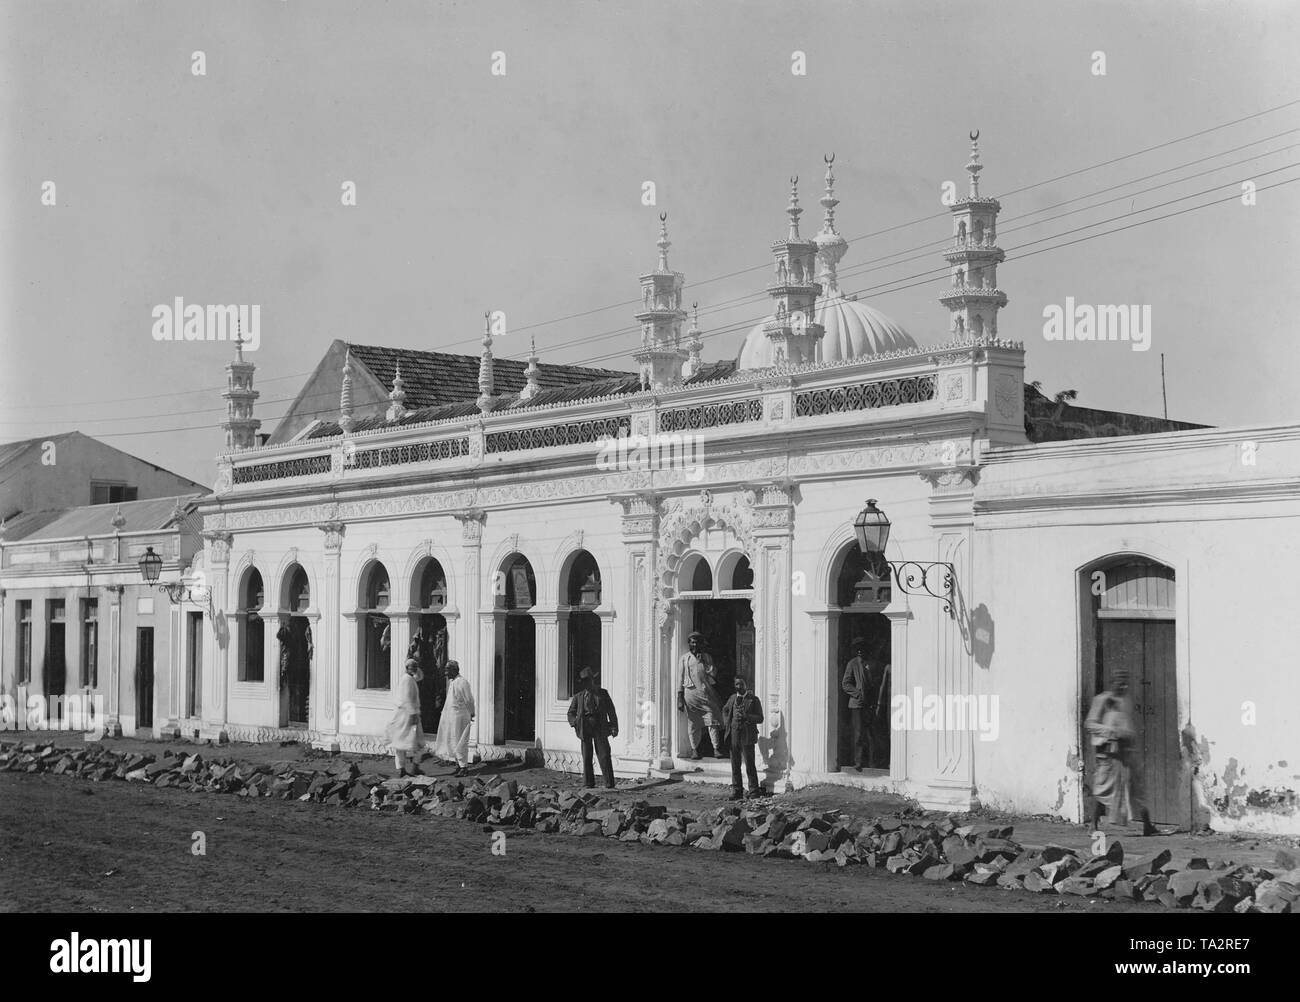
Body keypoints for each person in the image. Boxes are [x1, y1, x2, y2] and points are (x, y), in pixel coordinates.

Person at [1085, 669, 1157, 836]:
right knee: (1102, 790)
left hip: (1127, 752)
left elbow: (1128, 723)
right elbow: (1090, 724)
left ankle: (1148, 825)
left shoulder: (1126, 700)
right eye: (1119, 681)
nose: (1123, 685)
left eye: (1125, 682)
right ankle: (1093, 825)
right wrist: (1111, 731)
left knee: (1137, 789)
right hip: (1110, 755)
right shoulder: (1102, 700)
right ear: (1112, 682)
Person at [566, 667, 619, 789]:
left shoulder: (603, 693)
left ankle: (609, 783)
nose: (587, 684)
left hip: (600, 726)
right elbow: (571, 713)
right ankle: (588, 783)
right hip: (585, 727)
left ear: (593, 680)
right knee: (587, 755)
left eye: (589, 680)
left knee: (604, 755)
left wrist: (614, 726)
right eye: (585, 682)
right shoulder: (579, 696)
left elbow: (611, 711)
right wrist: (575, 722)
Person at [841, 638, 888, 769]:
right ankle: (858, 762)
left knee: (872, 734)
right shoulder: (852, 664)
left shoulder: (872, 664)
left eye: (862, 648)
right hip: (857, 705)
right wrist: (858, 693)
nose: (860, 651)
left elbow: (876, 683)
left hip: (870, 704)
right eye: (858, 649)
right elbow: (845, 684)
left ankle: (873, 762)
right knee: (858, 734)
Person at [677, 631, 724, 759]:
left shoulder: (706, 657)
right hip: (690, 694)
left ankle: (716, 748)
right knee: (693, 722)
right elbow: (680, 678)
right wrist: (679, 697)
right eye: (692, 642)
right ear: (689, 644)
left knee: (712, 719)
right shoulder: (684, 658)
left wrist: (704, 662)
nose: (695, 644)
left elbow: (713, 673)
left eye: (697, 642)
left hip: (705, 693)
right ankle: (694, 750)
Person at [722, 675, 764, 800]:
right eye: (737, 684)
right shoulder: (732, 698)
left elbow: (760, 718)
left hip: (747, 735)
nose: (739, 687)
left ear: (746, 685)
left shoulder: (754, 700)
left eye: (741, 684)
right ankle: (737, 791)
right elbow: (725, 710)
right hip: (734, 735)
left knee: (750, 764)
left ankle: (753, 792)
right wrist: (727, 723)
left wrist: (748, 717)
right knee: (735, 765)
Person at [433, 660, 476, 777]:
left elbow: (469, 700)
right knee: (453, 741)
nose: (446, 673)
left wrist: (472, 713)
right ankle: (459, 765)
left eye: (448, 670)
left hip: (460, 717)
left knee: (460, 742)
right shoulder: (453, 682)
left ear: (454, 670)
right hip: (453, 718)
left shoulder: (462, 682)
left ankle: (464, 768)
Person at [386, 657, 424, 776]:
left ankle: (407, 768)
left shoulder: (409, 678)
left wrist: (417, 666)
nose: (414, 669)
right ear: (407, 668)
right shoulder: (407, 680)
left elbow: (420, 676)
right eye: (411, 666)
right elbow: (407, 698)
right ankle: (407, 768)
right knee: (415, 742)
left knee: (403, 742)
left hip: (406, 714)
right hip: (407, 715)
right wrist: (413, 714)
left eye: (415, 667)